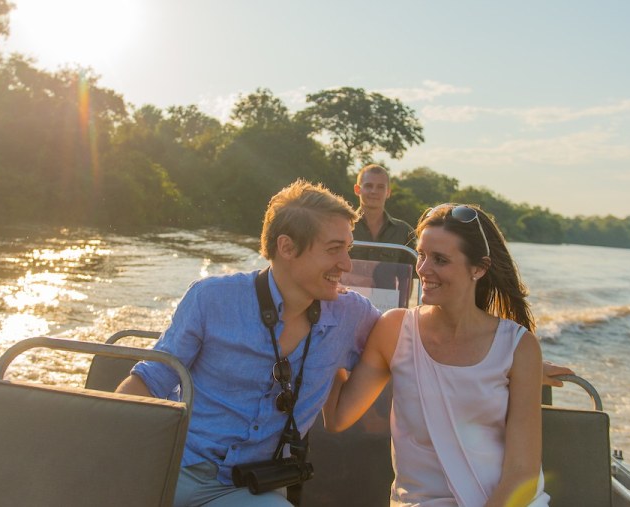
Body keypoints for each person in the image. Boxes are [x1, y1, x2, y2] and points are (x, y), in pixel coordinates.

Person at [118, 179, 382, 506]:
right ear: (286, 248)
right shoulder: (211, 298)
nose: (347, 264)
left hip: (252, 488)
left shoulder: (351, 315)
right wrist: (111, 459)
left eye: (348, 248)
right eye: (333, 249)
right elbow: (151, 381)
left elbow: (408, 339)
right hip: (175, 469)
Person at [323, 203, 551, 507]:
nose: (423, 269)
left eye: (440, 260)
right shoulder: (394, 330)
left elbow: (522, 474)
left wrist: (530, 371)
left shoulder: (519, 348)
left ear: (478, 268)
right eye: (421, 255)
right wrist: (327, 326)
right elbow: (338, 417)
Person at [350, 164, 415, 264]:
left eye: (380, 187)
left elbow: (415, 275)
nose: (374, 191)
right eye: (368, 186)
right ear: (357, 189)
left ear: (388, 192)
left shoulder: (404, 232)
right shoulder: (343, 227)